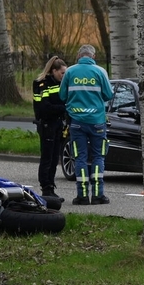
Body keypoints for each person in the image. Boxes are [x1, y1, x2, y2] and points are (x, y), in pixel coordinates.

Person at [59, 44, 114, 206]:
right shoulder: (100, 71)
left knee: (80, 157)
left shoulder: (69, 72)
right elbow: (108, 95)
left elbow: (62, 96)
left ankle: (82, 196)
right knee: (98, 157)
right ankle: (98, 195)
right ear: (93, 57)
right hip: (97, 121)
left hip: (76, 123)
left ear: (78, 56)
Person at [32, 56, 68, 201]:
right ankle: (46, 188)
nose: (63, 76)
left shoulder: (59, 83)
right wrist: (64, 109)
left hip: (58, 124)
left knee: (54, 158)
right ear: (54, 71)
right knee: (47, 158)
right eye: (62, 73)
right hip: (47, 124)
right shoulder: (42, 84)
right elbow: (44, 107)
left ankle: (51, 187)